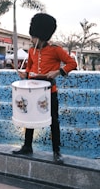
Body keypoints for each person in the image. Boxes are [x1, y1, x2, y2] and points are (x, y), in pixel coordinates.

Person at [13, 13, 77, 164]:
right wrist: (25, 74)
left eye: (33, 36)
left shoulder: (56, 50)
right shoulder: (31, 50)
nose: (31, 39)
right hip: (33, 90)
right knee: (29, 119)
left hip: (49, 92)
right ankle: (27, 146)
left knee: (53, 121)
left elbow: (72, 63)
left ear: (41, 36)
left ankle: (57, 151)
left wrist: (58, 72)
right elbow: (30, 66)